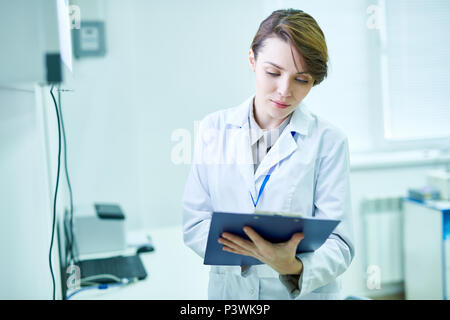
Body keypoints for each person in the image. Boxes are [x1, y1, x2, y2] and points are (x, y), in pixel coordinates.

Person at [182, 9, 354, 300]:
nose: (284, 91)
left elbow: (340, 243)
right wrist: (247, 254)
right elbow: (195, 222)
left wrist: (292, 266)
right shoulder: (215, 129)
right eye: (273, 73)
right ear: (252, 60)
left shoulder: (329, 141)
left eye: (302, 80)